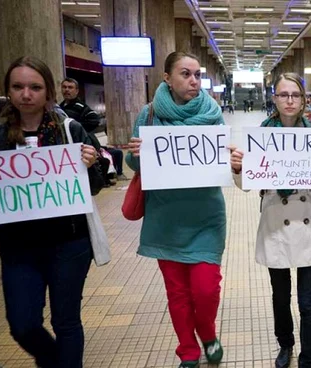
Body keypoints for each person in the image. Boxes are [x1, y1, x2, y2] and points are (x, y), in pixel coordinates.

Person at [0, 56, 103, 368]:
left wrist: (90, 166)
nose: (26, 94)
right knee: (23, 324)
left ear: (47, 92)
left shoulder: (69, 131)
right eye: (18, 87)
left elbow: (97, 185)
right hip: (18, 248)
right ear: (8, 92)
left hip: (69, 244)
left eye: (35, 87)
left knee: (66, 321)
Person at [229, 73, 311, 368]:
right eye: (283, 95)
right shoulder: (260, 136)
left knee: (308, 301)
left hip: (310, 224)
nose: (289, 100)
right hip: (275, 225)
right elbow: (245, 185)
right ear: (274, 99)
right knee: (280, 297)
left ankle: (308, 357)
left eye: (295, 94)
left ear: (303, 100)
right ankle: (285, 344)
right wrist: (239, 168)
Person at [126, 51, 226, 368]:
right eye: (185, 74)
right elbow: (133, 164)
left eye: (197, 75)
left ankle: (207, 334)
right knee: (178, 293)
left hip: (206, 218)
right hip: (165, 219)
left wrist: (233, 161)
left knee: (206, 291)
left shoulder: (212, 113)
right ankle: (188, 350)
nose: (194, 81)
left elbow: (221, 159)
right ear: (167, 78)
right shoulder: (150, 114)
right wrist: (135, 154)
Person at [60, 78, 128, 182]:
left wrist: (77, 129)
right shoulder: (60, 108)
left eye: (70, 87)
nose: (67, 90)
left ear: (77, 91)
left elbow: (94, 119)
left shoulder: (80, 107)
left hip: (83, 145)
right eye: (64, 87)